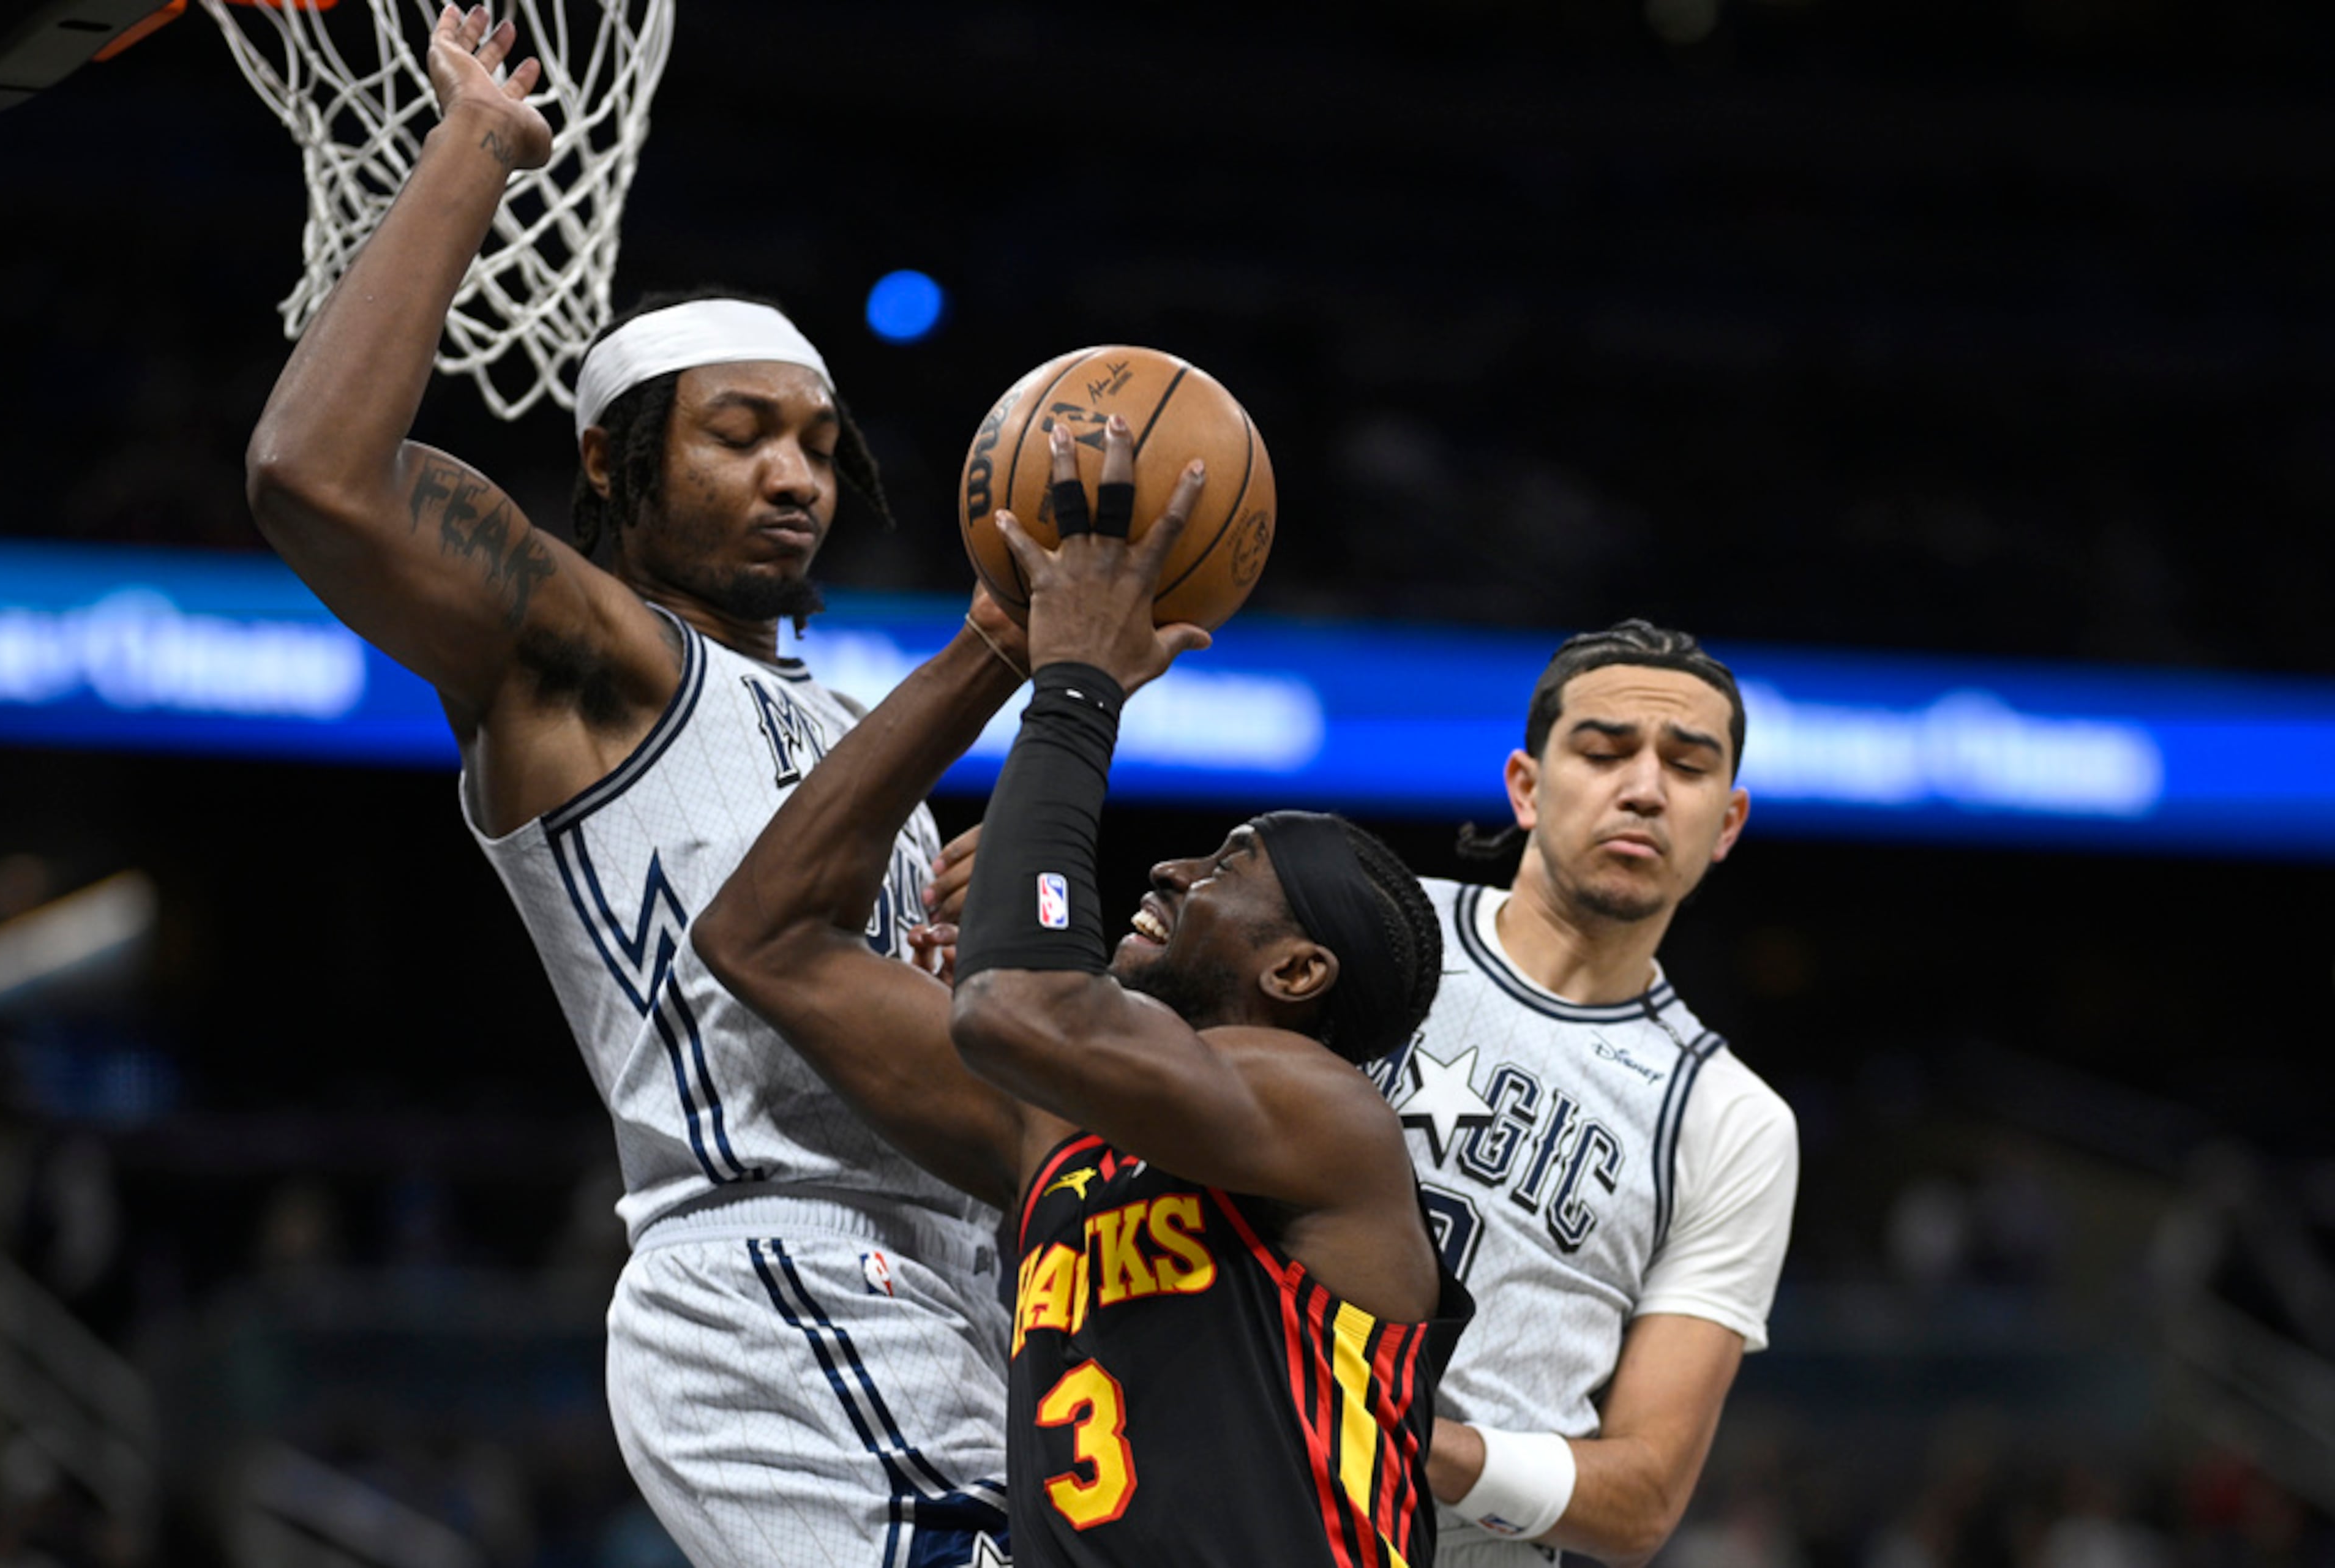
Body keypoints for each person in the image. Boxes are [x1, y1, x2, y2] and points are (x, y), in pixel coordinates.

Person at [242, 10, 1011, 1564]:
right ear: (610, 462)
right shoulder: (591, 657)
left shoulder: (853, 731)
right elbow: (311, 475)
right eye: (740, 438)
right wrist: (477, 154)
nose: (794, 477)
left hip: (953, 1280)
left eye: (814, 444)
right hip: (773, 1257)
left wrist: (971, 961)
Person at [691, 419, 1475, 1567]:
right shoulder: (1061, 1127)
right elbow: (762, 937)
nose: (1170, 868)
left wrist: (1075, 686)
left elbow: (1025, 1007)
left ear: (1298, 972)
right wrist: (994, 648)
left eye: (1228, 866)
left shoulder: (1333, 1121)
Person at [1387, 621, 1799, 1568]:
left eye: (1688, 768)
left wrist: (1392, 1434)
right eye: (1606, 751)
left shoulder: (1731, 1119)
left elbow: (1642, 1500)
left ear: (1727, 822)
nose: (1645, 789)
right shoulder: (1376, 924)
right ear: (1526, 786)